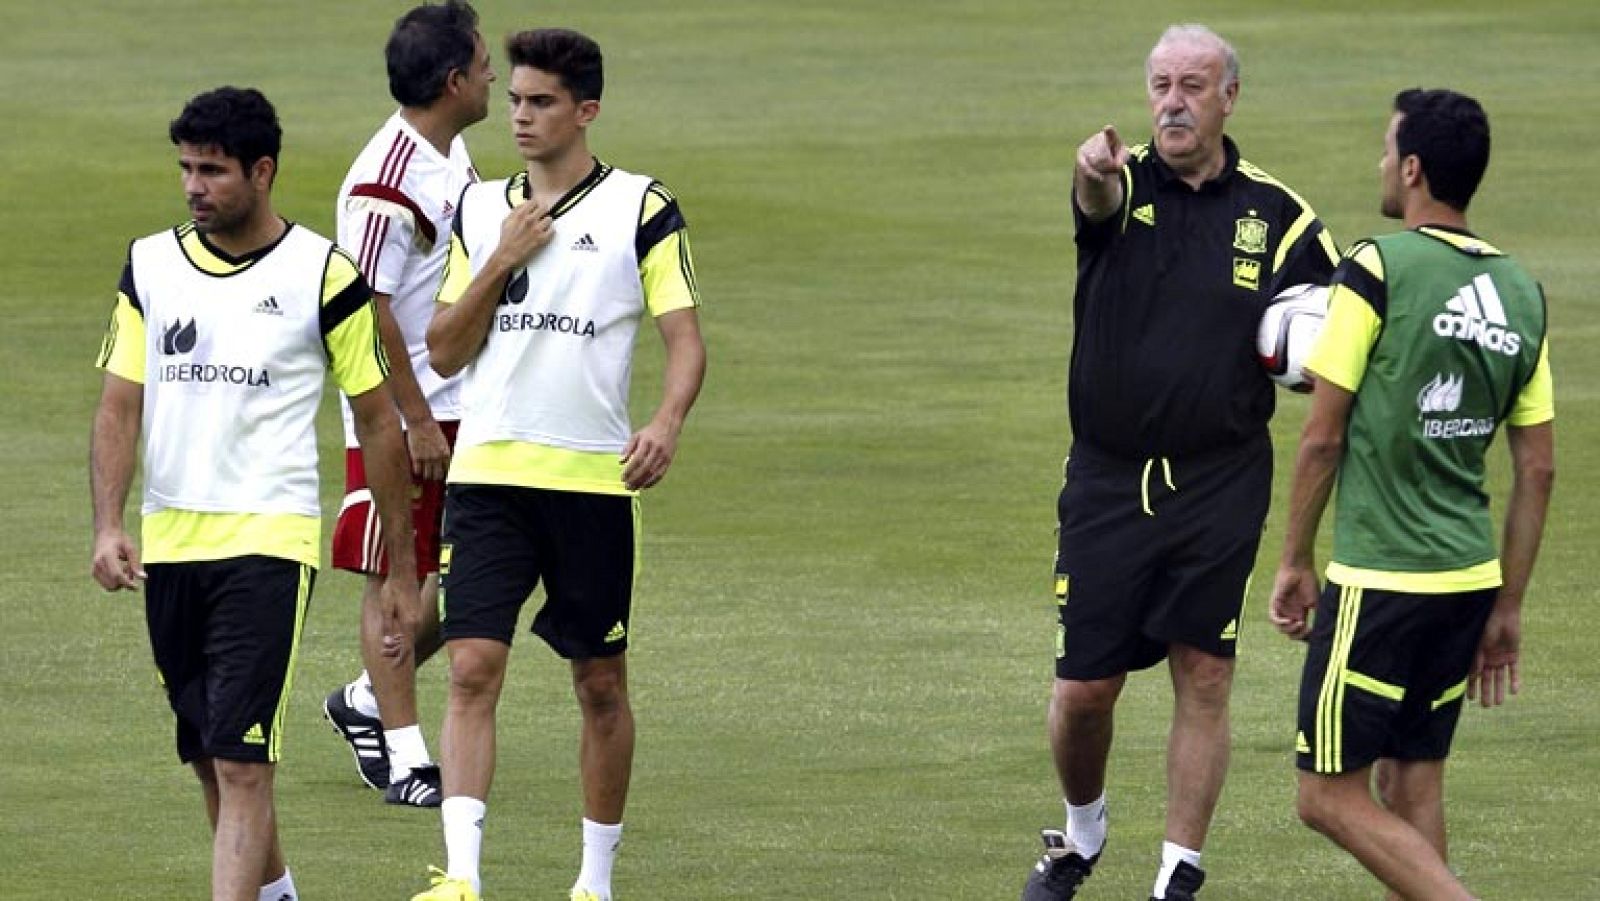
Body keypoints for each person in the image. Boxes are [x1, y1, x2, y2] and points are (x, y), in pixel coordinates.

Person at [1023, 24, 1339, 901]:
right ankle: (1082, 833)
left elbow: (1337, 319)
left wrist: (1316, 359)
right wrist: (1090, 172)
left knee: (1204, 670)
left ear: (1228, 97)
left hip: (1220, 479)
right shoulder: (1124, 185)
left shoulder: (1279, 216)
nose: (1172, 102)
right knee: (1086, 688)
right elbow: (1092, 201)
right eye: (1161, 84)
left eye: (1193, 85)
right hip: (1108, 476)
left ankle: (1177, 873)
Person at [90, 87, 417, 901]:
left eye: (213, 171)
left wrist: (403, 567)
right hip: (170, 543)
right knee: (208, 752)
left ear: (262, 171)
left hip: (268, 543)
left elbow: (379, 423)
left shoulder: (322, 274)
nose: (194, 186)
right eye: (186, 169)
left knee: (241, 760)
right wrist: (107, 524)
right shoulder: (152, 264)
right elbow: (119, 402)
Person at [408, 27, 706, 901]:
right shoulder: (477, 209)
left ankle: (594, 881)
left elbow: (684, 339)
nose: (522, 117)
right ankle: (462, 877)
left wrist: (665, 420)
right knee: (470, 667)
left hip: (589, 483)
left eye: (541, 102)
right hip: (489, 478)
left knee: (600, 683)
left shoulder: (642, 208)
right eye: (515, 100)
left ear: (587, 111)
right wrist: (502, 254)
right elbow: (445, 348)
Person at [1269, 88, 1554, 900]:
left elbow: (1322, 434)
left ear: (1416, 167)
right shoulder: (1521, 291)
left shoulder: (1375, 267)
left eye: (1388, 148)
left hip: (1382, 581)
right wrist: (1508, 604)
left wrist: (1294, 557)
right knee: (1412, 784)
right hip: (1468, 581)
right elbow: (1537, 468)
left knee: (1325, 794)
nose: (1382, 162)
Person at [322, 0, 494, 809]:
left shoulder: (448, 154)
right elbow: (366, 307)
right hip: (405, 408)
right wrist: (412, 416)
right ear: (455, 80)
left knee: (478, 580)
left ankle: (363, 697)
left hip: (469, 398)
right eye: (486, 62)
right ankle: (403, 752)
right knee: (397, 568)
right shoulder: (382, 183)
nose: (496, 75)